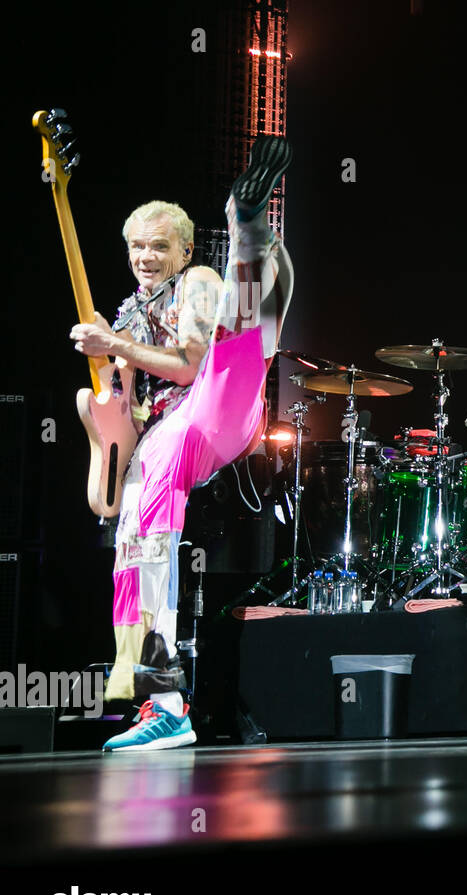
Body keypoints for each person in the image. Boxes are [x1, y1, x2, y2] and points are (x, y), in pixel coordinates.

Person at [69, 135, 294, 751]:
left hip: (215, 407)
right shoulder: (127, 312)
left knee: (237, 347)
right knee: (136, 546)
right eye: (137, 246)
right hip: (170, 437)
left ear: (184, 249)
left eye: (158, 245)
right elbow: (121, 411)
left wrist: (116, 348)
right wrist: (107, 384)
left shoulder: (193, 280)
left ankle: (246, 229)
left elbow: (192, 367)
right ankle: (165, 702)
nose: (146, 256)